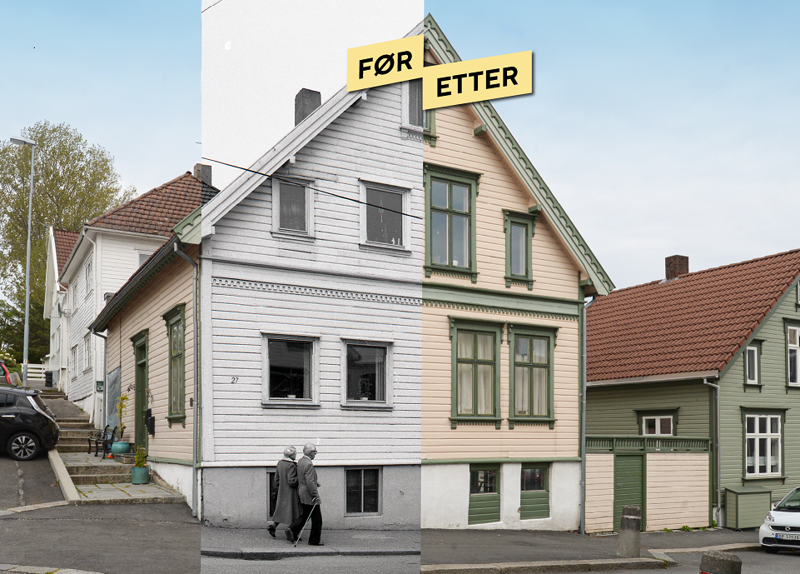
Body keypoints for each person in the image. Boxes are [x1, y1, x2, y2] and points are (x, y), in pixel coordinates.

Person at [287, 443, 323, 546]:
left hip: (301, 491)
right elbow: (310, 483)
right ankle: (314, 540)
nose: (315, 454)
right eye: (315, 452)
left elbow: (305, 478)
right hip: (308, 494)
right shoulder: (308, 464)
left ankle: (292, 529)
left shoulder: (301, 461)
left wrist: (315, 482)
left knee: (306, 514)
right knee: (317, 519)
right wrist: (315, 495)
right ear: (310, 452)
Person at [267, 446, 300, 538]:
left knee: (281, 510)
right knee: (294, 512)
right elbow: (291, 481)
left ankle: (273, 526)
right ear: (291, 455)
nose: (296, 455)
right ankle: (293, 532)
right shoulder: (291, 465)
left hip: (282, 491)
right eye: (295, 454)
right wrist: (300, 479)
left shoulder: (280, 463)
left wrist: (278, 488)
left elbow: (276, 479)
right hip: (291, 493)